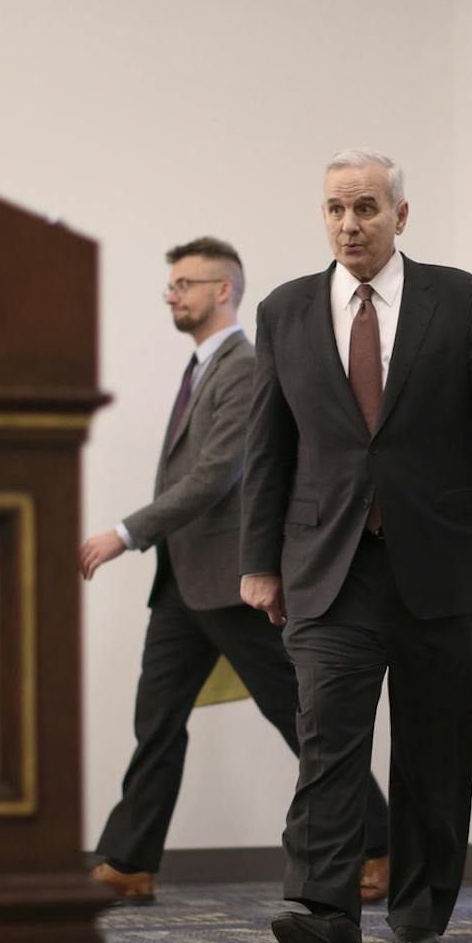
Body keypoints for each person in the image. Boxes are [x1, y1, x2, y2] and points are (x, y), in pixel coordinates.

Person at [240, 149, 472, 943]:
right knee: (328, 741)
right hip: (329, 566)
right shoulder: (284, 312)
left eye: (368, 208)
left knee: (435, 751)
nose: (351, 223)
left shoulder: (459, 300)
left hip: (445, 565)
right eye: (337, 209)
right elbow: (267, 448)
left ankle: (418, 912)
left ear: (400, 216)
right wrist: (259, 561)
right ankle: (325, 909)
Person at [80, 236, 390, 907]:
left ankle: (378, 845)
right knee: (156, 722)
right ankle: (130, 862)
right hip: (183, 584)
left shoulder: (244, 365)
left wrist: (126, 533)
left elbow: (218, 474)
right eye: (171, 285)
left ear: (224, 290)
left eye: (185, 283)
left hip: (232, 580)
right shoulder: (202, 367)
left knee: (300, 717)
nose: (173, 294)